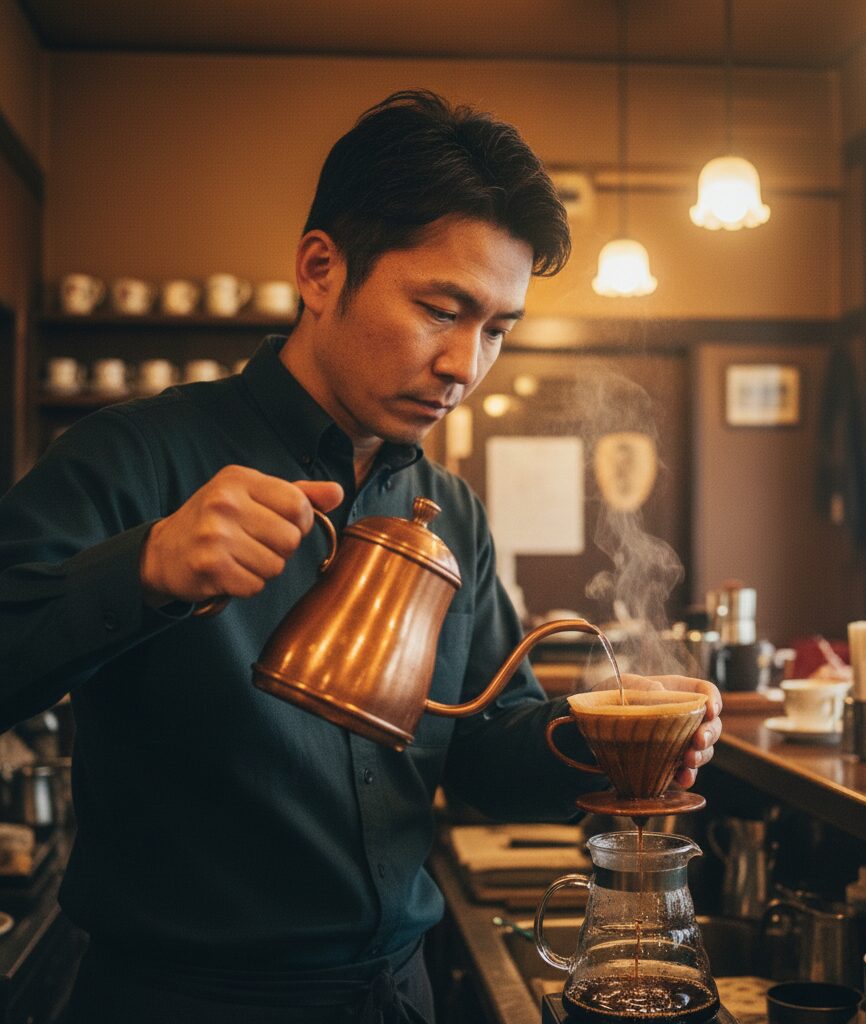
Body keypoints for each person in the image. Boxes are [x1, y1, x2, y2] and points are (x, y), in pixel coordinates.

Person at [0, 91, 722, 1023]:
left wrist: (612, 734)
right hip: (182, 999)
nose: (465, 365)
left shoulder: (452, 512)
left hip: (396, 993)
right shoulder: (136, 456)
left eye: (497, 329)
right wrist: (147, 566)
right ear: (320, 270)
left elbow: (483, 750)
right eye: (440, 310)